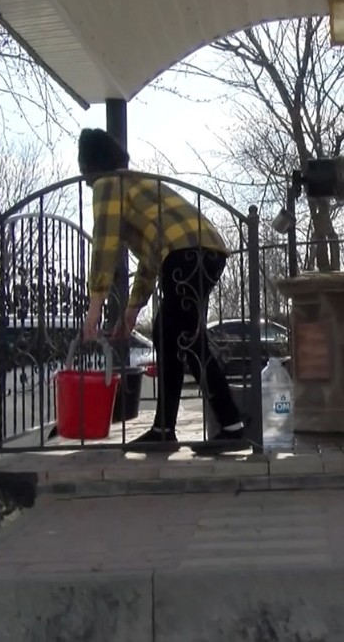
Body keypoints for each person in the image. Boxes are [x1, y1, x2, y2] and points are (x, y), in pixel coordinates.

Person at [78, 128, 248, 450]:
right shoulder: (137, 186)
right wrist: (131, 311)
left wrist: (95, 305)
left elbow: (104, 242)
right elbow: (151, 260)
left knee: (183, 338)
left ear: (88, 165)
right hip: (203, 252)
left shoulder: (108, 184)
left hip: (187, 254)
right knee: (170, 334)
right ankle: (166, 430)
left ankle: (230, 427)